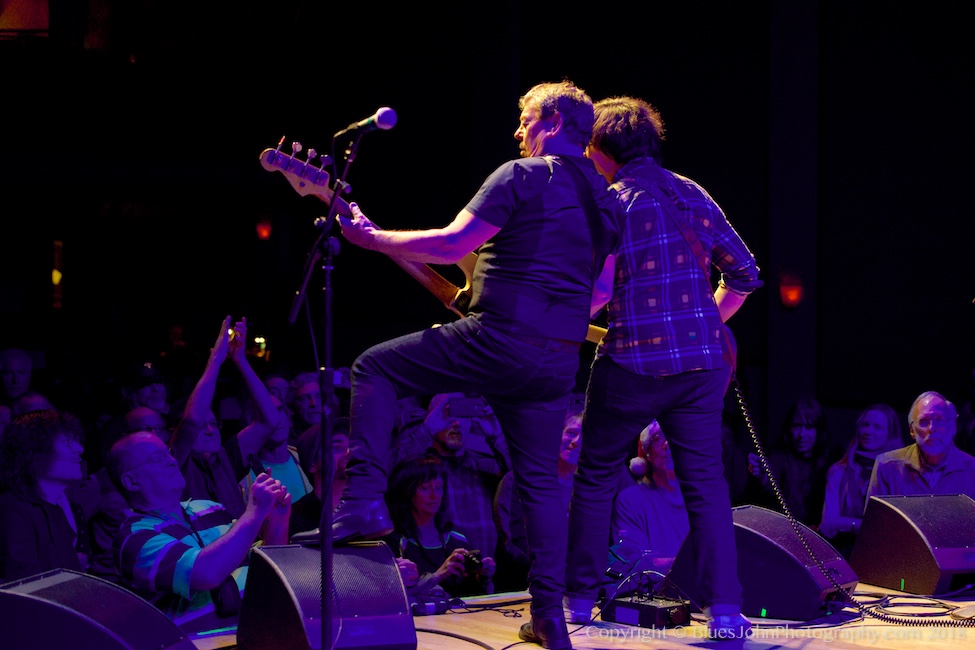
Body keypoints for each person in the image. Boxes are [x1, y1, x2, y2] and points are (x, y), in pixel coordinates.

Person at [333, 80, 622, 649]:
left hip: (499, 336)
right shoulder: (608, 202)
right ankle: (549, 618)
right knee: (539, 484)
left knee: (374, 368)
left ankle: (363, 499)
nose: (519, 130)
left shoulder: (519, 175)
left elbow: (450, 243)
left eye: (526, 118)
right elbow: (602, 290)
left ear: (556, 122)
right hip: (557, 360)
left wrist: (370, 238)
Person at [563, 96, 762, 640]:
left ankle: (578, 602)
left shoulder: (613, 201)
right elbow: (745, 275)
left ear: (601, 148)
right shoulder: (693, 192)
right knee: (707, 488)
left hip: (630, 364)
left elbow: (599, 292)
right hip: (700, 370)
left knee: (596, 476)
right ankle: (725, 613)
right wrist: (701, 322)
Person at [108, 431, 291, 632]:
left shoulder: (210, 508)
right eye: (157, 458)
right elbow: (207, 573)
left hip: (259, 630)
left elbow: (266, 570)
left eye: (168, 452)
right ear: (132, 482)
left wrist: (278, 519)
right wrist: (255, 510)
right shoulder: (134, 538)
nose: (171, 461)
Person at [169, 316, 285, 519]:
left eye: (213, 423)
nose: (210, 430)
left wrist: (241, 360)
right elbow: (191, 421)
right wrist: (215, 361)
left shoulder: (224, 457)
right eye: (202, 427)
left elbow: (269, 420)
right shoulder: (175, 463)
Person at [404, 392, 509, 563]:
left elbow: (524, 477)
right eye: (448, 414)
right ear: (433, 418)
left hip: (486, 575)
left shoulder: (483, 466)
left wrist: (496, 436)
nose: (457, 423)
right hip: (434, 575)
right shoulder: (417, 469)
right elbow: (388, 468)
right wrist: (426, 430)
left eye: (464, 416)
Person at [385, 455, 497, 599]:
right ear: (408, 492)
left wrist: (483, 576)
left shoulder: (458, 537)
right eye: (425, 488)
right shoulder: (396, 541)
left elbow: (474, 596)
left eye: (438, 487)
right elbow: (395, 597)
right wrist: (438, 575)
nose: (434, 495)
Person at [0, 409, 91, 582]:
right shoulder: (12, 510)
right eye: (67, 441)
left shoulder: (53, 508)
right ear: (35, 449)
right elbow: (26, 591)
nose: (80, 448)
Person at [819, 403, 903, 557]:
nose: (868, 431)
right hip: (842, 552)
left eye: (877, 427)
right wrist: (862, 526)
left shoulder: (899, 473)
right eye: (865, 425)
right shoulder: (839, 470)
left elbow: (892, 528)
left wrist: (846, 523)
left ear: (889, 434)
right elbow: (828, 524)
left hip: (884, 556)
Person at [610, 421, 689, 581]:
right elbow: (636, 564)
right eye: (659, 438)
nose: (667, 444)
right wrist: (691, 565)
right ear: (647, 452)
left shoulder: (699, 499)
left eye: (673, 436)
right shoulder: (630, 501)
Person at [866, 391, 975, 501]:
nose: (932, 428)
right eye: (923, 421)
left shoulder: (972, 470)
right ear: (912, 430)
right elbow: (874, 518)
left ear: (953, 427)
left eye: (939, 419)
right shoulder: (887, 466)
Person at [746, 396, 831, 528]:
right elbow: (769, 487)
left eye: (808, 427)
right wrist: (761, 477)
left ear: (819, 431)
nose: (802, 434)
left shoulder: (828, 462)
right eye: (797, 426)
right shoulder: (779, 457)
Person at [290, 416, 352, 538]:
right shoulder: (298, 515)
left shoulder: (365, 508)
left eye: (351, 446)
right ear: (312, 464)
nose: (349, 452)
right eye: (337, 447)